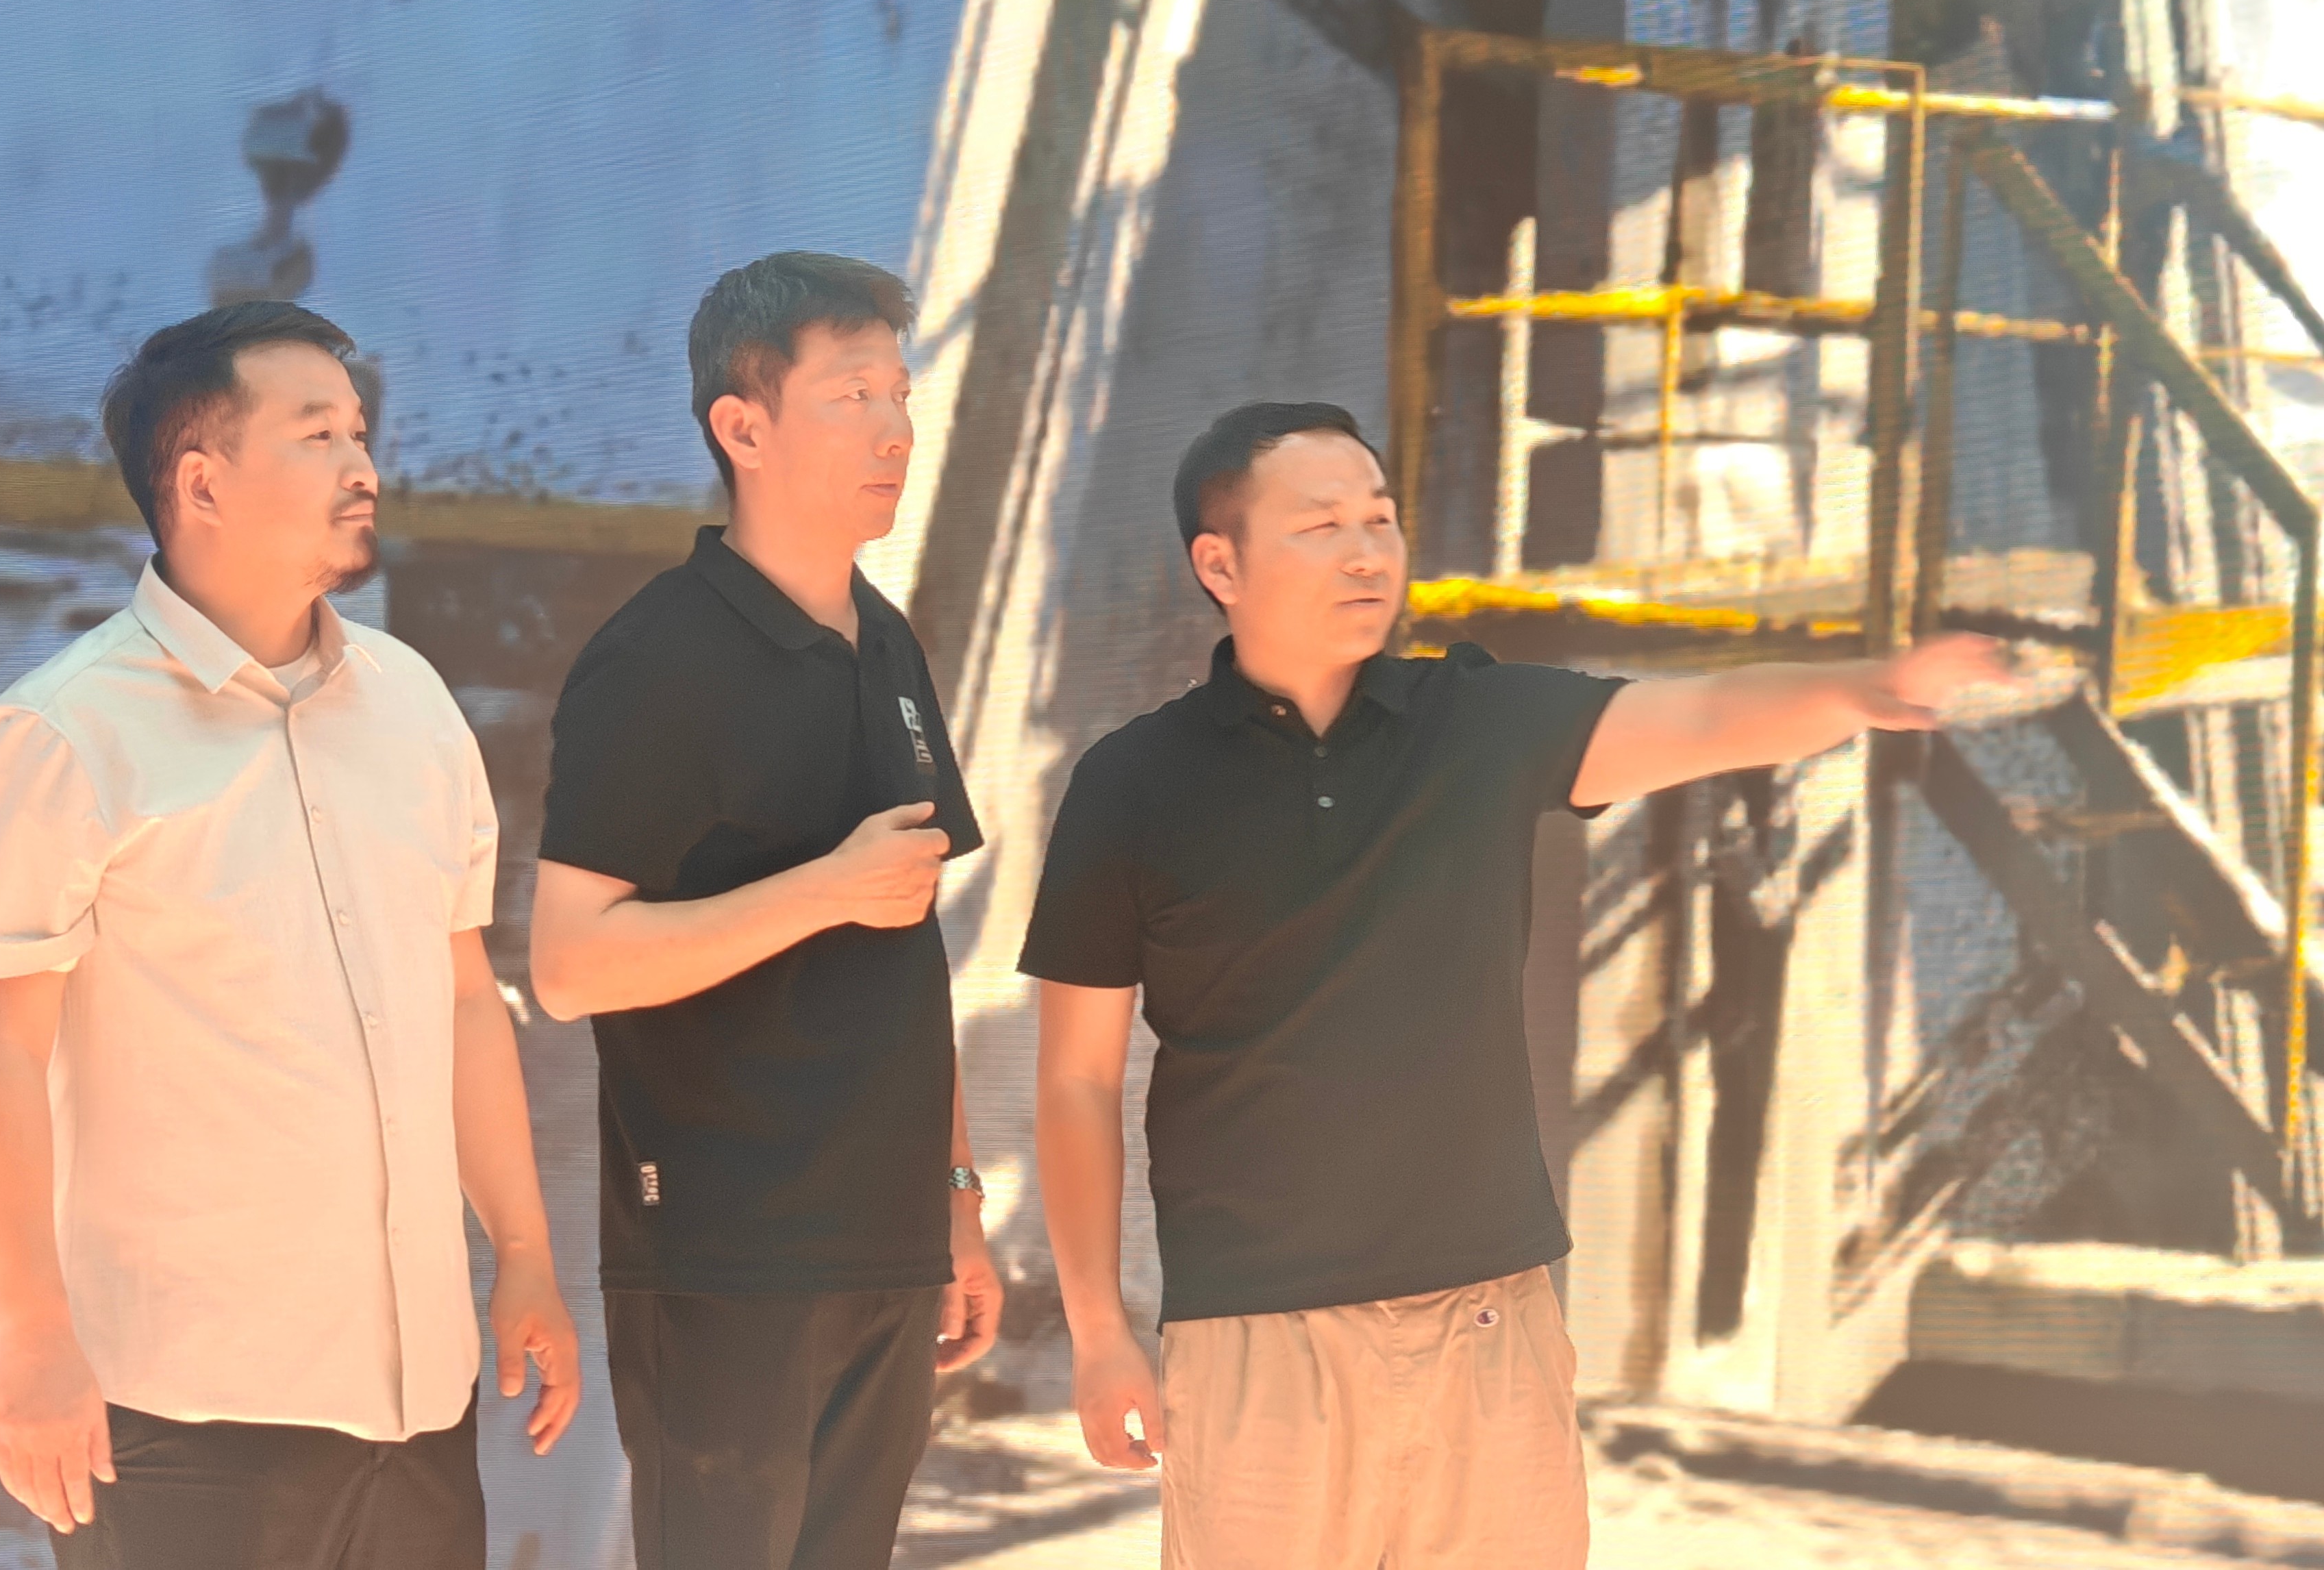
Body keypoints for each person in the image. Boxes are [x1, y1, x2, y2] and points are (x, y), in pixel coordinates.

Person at [1023, 401, 2008, 1570]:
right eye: (1321, 526)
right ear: (1220, 565)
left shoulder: (1475, 719)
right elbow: (1076, 1081)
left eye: (1381, 520)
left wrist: (1863, 687)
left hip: (1490, 1322)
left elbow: (1698, 714)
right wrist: (1099, 1331)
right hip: (1258, 1337)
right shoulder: (1133, 783)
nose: (1367, 553)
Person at [0, 301, 579, 1570]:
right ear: (202, 482)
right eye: (316, 435)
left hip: (419, 1405)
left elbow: (464, 1000)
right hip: (183, 1410)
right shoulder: (61, 735)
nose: (363, 467)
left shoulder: (414, 704)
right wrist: (35, 1337)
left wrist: (523, 1254)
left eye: (361, 434)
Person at [529, 251, 1004, 1570]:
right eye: (854, 395)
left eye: (900, 394)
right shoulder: (656, 658)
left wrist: (957, 1199)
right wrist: (821, 889)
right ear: (742, 428)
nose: (896, 429)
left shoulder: (888, 640)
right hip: (726, 1256)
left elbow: (909, 952)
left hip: (889, 1247)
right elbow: (568, 963)